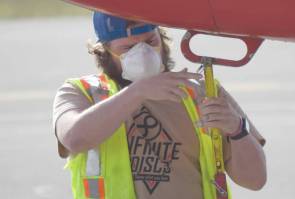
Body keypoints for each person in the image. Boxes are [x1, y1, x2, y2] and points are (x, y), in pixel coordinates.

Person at [53, 11, 267, 199]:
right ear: (104, 51)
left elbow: (255, 180)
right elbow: (75, 139)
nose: (143, 53)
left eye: (151, 42)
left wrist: (237, 130)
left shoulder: (202, 91)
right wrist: (139, 91)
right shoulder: (82, 92)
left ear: (163, 40)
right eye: (128, 47)